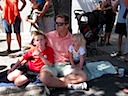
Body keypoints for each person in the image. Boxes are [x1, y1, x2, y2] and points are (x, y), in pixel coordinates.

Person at [40, 13, 88, 90]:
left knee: (83, 76)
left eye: (60, 24)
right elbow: (35, 43)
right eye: (56, 23)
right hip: (52, 64)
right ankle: (70, 85)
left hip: (66, 65)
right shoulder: (49, 36)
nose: (57, 26)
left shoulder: (73, 39)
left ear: (67, 25)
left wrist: (79, 63)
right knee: (43, 77)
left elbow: (82, 53)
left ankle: (54, 82)